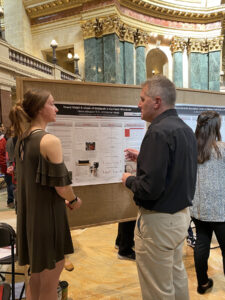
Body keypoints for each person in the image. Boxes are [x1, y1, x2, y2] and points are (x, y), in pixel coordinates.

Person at [121, 75, 197, 300]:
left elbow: (149, 189)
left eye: (141, 99)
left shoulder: (157, 132)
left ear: (156, 101)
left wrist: (128, 179)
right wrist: (144, 156)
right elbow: (174, 168)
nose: (138, 104)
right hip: (180, 218)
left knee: (158, 290)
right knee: (176, 278)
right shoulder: (184, 129)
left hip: (158, 222)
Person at [11, 89, 82, 300]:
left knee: (36, 276)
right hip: (48, 218)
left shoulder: (21, 140)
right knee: (51, 283)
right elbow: (61, 187)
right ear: (41, 109)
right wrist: (74, 200)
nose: (56, 108)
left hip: (29, 219)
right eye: (52, 103)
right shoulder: (49, 141)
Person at [190, 110, 225, 294]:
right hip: (221, 209)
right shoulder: (222, 149)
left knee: (201, 244)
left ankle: (202, 283)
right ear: (215, 128)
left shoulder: (191, 149)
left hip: (199, 209)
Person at [0, 124, 14, 208]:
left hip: (11, 167)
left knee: (13, 185)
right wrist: (6, 167)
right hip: (8, 168)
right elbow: (2, 157)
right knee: (10, 185)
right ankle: (10, 201)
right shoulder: (3, 142)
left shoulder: (8, 141)